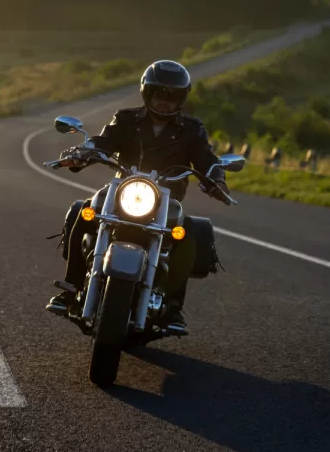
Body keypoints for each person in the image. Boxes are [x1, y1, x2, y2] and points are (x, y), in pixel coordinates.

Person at [47, 59, 231, 332]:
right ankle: (72, 286)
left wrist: (216, 178)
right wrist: (82, 153)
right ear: (147, 92)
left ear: (182, 97)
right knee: (85, 210)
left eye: (173, 96)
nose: (164, 102)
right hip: (124, 191)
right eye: (159, 94)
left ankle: (172, 307)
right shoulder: (126, 118)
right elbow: (104, 140)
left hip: (166, 200)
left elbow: (206, 157)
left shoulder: (192, 129)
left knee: (188, 232)